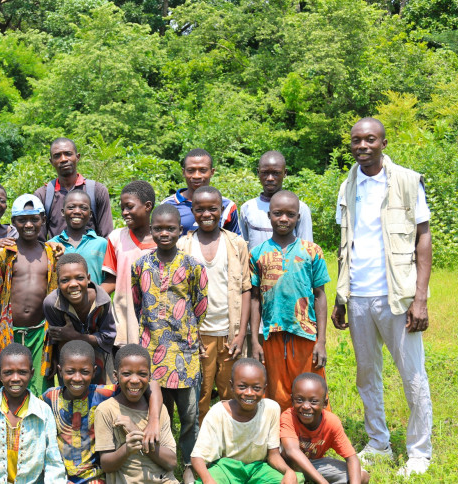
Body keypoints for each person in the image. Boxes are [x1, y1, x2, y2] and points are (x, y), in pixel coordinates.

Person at [331, 117, 433, 477]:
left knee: (412, 375)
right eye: (357, 140)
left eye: (370, 139)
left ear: (383, 143)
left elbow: (423, 237)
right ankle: (378, 442)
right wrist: (341, 297)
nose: (362, 146)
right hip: (358, 295)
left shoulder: (406, 180)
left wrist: (419, 299)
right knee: (366, 375)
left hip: (398, 296)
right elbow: (347, 243)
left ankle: (419, 452)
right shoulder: (348, 184)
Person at [132, 203, 208, 483]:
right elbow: (138, 302)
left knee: (189, 415)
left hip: (184, 352)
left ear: (180, 231)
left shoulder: (193, 266)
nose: (164, 233)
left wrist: (189, 334)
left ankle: (188, 464)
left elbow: (200, 305)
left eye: (170, 228)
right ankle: (162, 463)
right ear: (151, 230)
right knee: (158, 413)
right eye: (159, 228)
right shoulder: (140, 264)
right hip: (152, 351)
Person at [178, 186, 252, 425]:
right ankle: (201, 446)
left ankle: (230, 440)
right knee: (201, 394)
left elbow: (246, 289)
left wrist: (241, 335)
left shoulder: (236, 244)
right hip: (199, 336)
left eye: (213, 209)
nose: (207, 214)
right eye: (200, 209)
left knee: (231, 391)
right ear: (193, 211)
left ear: (222, 210)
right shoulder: (183, 246)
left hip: (230, 334)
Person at [249, 190, 329, 412]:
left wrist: (321, 340)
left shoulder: (312, 252)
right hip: (272, 334)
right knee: (276, 391)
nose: (283, 219)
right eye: (278, 213)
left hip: (305, 332)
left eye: (290, 214)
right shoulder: (257, 253)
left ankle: (312, 440)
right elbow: (255, 298)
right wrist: (255, 341)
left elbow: (320, 295)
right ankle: (281, 439)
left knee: (309, 388)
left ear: (298, 217)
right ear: (269, 216)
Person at [42, 340, 163, 484]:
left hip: (97, 478)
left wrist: (154, 420)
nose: (77, 378)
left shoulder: (103, 394)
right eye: (70, 371)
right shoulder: (49, 398)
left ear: (94, 371)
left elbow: (152, 385)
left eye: (85, 372)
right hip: (60, 478)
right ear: (60, 371)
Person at [0, 194, 60, 396]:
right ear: (13, 222)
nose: (29, 224)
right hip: (8, 332)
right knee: (10, 387)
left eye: (34, 219)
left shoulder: (51, 254)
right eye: (22, 220)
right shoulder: (4, 254)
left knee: (40, 388)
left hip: (40, 334)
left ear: (43, 220)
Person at [190, 358, 298, 484]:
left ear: (264, 389)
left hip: (259, 469)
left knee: (290, 480)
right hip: (226, 469)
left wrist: (288, 471)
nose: (249, 393)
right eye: (242, 387)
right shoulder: (218, 412)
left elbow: (273, 454)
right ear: (231, 386)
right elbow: (197, 456)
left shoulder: (271, 408)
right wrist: (208, 480)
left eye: (256, 388)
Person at [0, 343, 67, 484]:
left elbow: (53, 460)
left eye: (22, 372)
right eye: (8, 372)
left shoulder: (43, 411)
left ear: (32, 373)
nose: (15, 378)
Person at [96, 344, 179, 484]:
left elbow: (171, 462)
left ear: (149, 376)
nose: (134, 380)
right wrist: (126, 450)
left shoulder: (159, 410)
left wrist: (138, 434)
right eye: (127, 374)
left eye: (142, 374)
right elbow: (106, 465)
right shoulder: (106, 410)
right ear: (116, 375)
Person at [280, 373, 369, 484]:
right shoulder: (288, 417)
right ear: (292, 400)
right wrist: (323, 482)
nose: (306, 406)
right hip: (289, 466)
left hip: (315, 464)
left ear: (324, 403)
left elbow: (351, 458)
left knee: (361, 476)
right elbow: (292, 451)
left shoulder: (331, 422)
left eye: (313, 401)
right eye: (299, 400)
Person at [100, 180, 157, 347]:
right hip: (123, 324)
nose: (124, 212)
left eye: (129, 207)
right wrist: (90, 296)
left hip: (155, 326)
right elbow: (111, 280)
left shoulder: (163, 241)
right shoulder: (117, 238)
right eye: (122, 208)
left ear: (147, 206)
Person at [44, 254, 116, 383]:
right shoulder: (52, 303)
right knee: (72, 393)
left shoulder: (101, 300)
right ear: (58, 283)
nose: (73, 284)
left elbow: (108, 337)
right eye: (65, 280)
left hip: (99, 356)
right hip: (68, 356)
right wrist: (54, 359)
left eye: (79, 278)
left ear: (88, 279)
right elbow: (57, 338)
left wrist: (75, 336)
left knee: (101, 394)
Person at [34, 138, 114, 240]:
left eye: (68, 153)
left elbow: (107, 235)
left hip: (90, 255)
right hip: (56, 255)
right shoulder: (43, 195)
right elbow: (39, 240)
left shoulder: (97, 191)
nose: (63, 159)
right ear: (51, 161)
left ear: (77, 157)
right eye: (57, 156)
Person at [239, 151, 313, 250]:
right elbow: (242, 247)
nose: (270, 178)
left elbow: (307, 247)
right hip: (255, 265)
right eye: (265, 173)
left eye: (276, 173)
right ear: (258, 173)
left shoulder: (300, 208)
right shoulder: (248, 208)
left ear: (285, 173)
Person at [162, 148, 241, 235]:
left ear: (212, 172)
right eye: (191, 170)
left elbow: (234, 244)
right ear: (184, 172)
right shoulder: (167, 205)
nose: (196, 176)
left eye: (203, 170)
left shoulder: (228, 206)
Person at [49, 189, 108, 286]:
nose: (77, 211)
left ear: (90, 214)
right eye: (71, 207)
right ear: (63, 212)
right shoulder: (53, 245)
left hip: (94, 300)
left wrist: (96, 297)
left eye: (84, 208)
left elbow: (111, 278)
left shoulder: (101, 244)